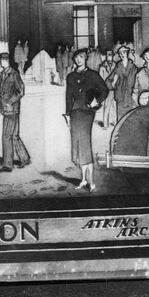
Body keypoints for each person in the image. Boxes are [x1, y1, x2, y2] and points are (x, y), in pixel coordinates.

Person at [64, 47, 108, 191]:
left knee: (85, 143)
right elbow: (68, 96)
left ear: (85, 59)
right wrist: (67, 113)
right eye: (76, 58)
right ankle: (83, 179)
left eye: (81, 57)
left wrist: (97, 101)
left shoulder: (93, 75)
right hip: (75, 112)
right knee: (77, 143)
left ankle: (92, 181)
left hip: (87, 112)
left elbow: (104, 90)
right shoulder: (70, 76)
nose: (78, 60)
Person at [0, 53, 30, 172]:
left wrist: (10, 102)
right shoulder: (3, 74)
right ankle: (25, 158)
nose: (1, 62)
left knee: (6, 136)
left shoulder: (14, 74)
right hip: (6, 110)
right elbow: (2, 94)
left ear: (7, 61)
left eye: (3, 60)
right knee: (13, 135)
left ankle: (8, 164)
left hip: (12, 110)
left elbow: (21, 90)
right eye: (1, 60)